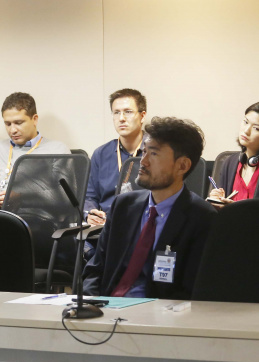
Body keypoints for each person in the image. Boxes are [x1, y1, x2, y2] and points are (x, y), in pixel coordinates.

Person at [82, 117, 215, 300]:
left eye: (153, 154)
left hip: (159, 317)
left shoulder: (201, 218)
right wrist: (91, 303)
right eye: (144, 151)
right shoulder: (123, 206)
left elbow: (192, 290)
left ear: (182, 165)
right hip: (107, 308)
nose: (142, 162)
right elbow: (95, 269)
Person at [0, 92, 70, 209]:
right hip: (2, 218)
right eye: (8, 124)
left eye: (18, 123)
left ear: (34, 119)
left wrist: (20, 198)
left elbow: (65, 197)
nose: (12, 130)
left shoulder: (58, 149)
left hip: (39, 218)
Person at [84, 89, 147, 226]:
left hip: (144, 224)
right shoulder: (101, 154)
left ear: (142, 116)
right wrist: (91, 213)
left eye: (128, 112)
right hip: (107, 225)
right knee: (80, 240)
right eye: (116, 112)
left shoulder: (157, 152)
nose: (121, 118)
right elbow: (90, 196)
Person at [208, 102, 259, 206]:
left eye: (256, 128)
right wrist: (216, 200)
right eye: (245, 122)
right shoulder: (230, 162)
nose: (246, 130)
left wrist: (237, 211)